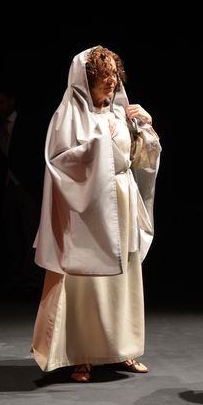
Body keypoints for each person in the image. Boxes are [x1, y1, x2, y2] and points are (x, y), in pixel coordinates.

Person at [30, 45, 162, 382]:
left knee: (123, 277)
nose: (111, 81)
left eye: (114, 74)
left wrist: (145, 128)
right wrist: (98, 144)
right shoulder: (69, 115)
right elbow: (58, 162)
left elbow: (139, 159)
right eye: (103, 75)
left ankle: (121, 348)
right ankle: (82, 354)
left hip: (121, 201)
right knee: (86, 285)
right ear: (86, 79)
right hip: (87, 210)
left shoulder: (121, 114)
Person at [0, 85, 46, 294]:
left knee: (31, 231)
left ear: (11, 101)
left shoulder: (28, 123)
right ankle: (15, 277)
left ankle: (32, 278)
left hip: (27, 185)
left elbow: (36, 154)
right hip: (6, 186)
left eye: (2, 102)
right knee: (11, 232)